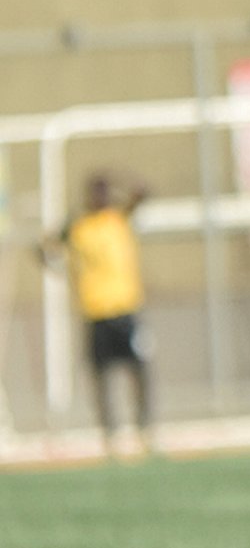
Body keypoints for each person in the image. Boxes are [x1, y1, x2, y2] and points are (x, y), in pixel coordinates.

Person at [51, 173, 154, 457]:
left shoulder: (118, 218)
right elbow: (47, 249)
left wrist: (129, 188)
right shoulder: (78, 226)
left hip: (126, 310)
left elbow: (142, 193)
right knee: (102, 376)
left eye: (105, 192)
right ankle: (110, 436)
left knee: (140, 370)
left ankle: (146, 431)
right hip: (95, 312)